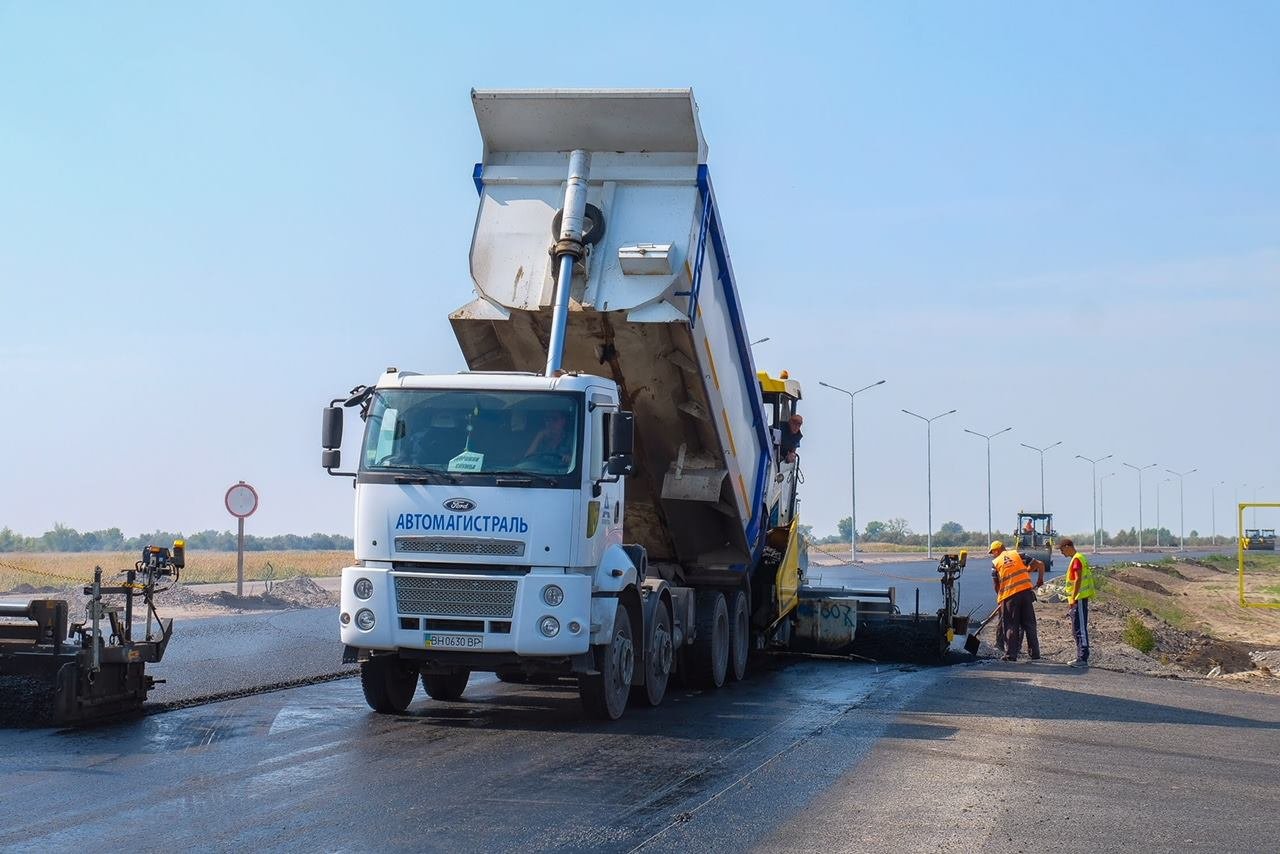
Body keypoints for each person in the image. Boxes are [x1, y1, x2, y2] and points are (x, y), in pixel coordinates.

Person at [989, 539, 1046, 662]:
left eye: (992, 552)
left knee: (1010, 625)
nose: (992, 555)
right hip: (1026, 594)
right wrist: (1039, 579)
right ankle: (1035, 654)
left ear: (997, 550)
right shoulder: (1019, 555)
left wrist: (1001, 599)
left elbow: (996, 585)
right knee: (1029, 624)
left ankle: (1011, 655)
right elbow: (1040, 564)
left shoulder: (996, 562)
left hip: (1010, 597)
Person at [1058, 538, 1095, 667]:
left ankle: (1082, 658)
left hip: (1079, 598)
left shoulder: (1077, 559)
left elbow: (1078, 579)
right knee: (1076, 629)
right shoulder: (1078, 558)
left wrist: (1073, 597)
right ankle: (1080, 657)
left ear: (1068, 546)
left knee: (1080, 629)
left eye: (1062, 550)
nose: (1062, 553)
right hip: (1078, 599)